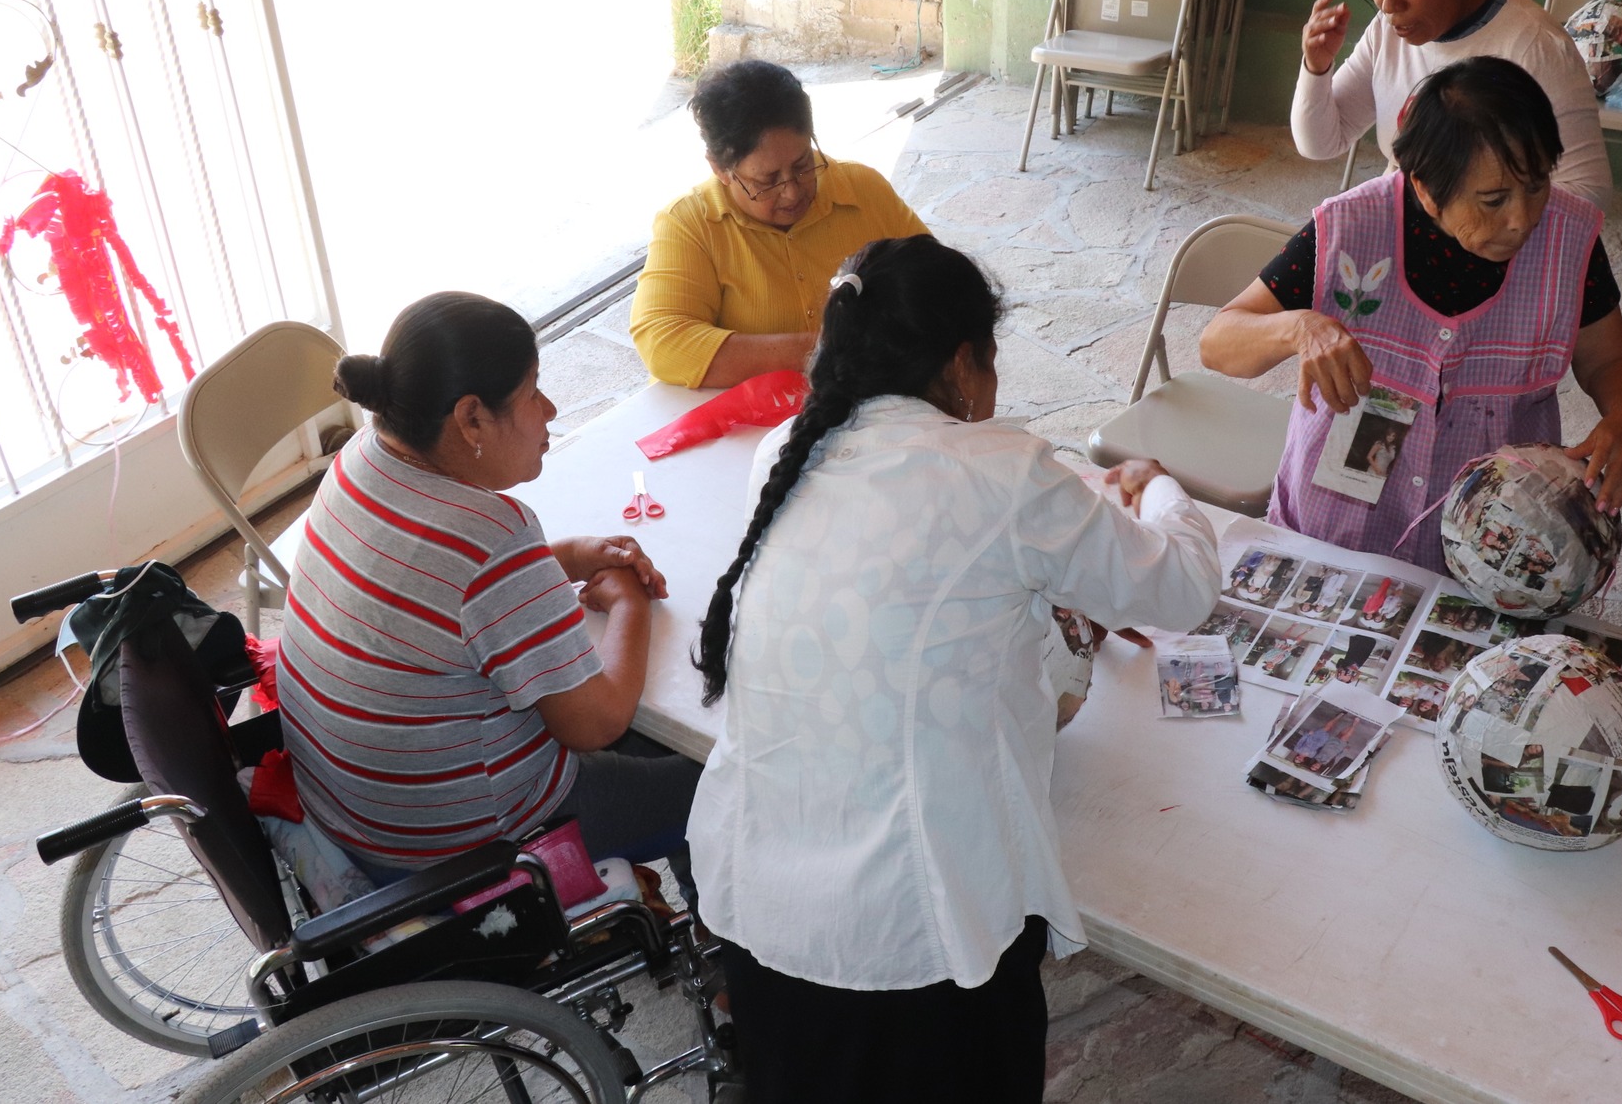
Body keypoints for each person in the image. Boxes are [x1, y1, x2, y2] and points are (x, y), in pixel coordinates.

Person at [684, 235, 1218, 1104]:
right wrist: (1154, 485)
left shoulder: (783, 450)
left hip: (766, 917)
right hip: (918, 944)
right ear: (966, 363)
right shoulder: (1000, 473)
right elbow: (1185, 585)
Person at [280, 292, 699, 887]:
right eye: (532, 392)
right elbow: (596, 723)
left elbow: (440, 595)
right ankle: (729, 940)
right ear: (471, 418)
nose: (550, 409)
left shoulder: (360, 460)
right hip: (469, 844)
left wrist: (571, 557)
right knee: (724, 772)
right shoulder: (495, 536)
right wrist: (631, 600)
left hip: (356, 814)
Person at [1201, 56, 1622, 573]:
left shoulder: (1568, 239)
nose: (1522, 219)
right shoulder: (1349, 229)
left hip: (1491, 535)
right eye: (1493, 199)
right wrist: (1299, 327)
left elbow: (1607, 358)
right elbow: (1218, 342)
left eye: (1536, 185)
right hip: (1337, 521)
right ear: (1427, 189)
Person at [1293, 0, 1612, 207]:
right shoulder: (1387, 29)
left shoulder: (1535, 46)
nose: (1389, 4)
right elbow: (1319, 143)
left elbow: (1589, 193)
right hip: (1405, 220)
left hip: (1488, 243)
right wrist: (1316, 67)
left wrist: (1477, 213)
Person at [628, 59, 929, 388]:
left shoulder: (862, 189)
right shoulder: (690, 223)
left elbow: (940, 284)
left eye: (803, 164)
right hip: (755, 430)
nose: (792, 192)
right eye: (767, 180)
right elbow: (662, 340)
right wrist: (825, 349)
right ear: (719, 168)